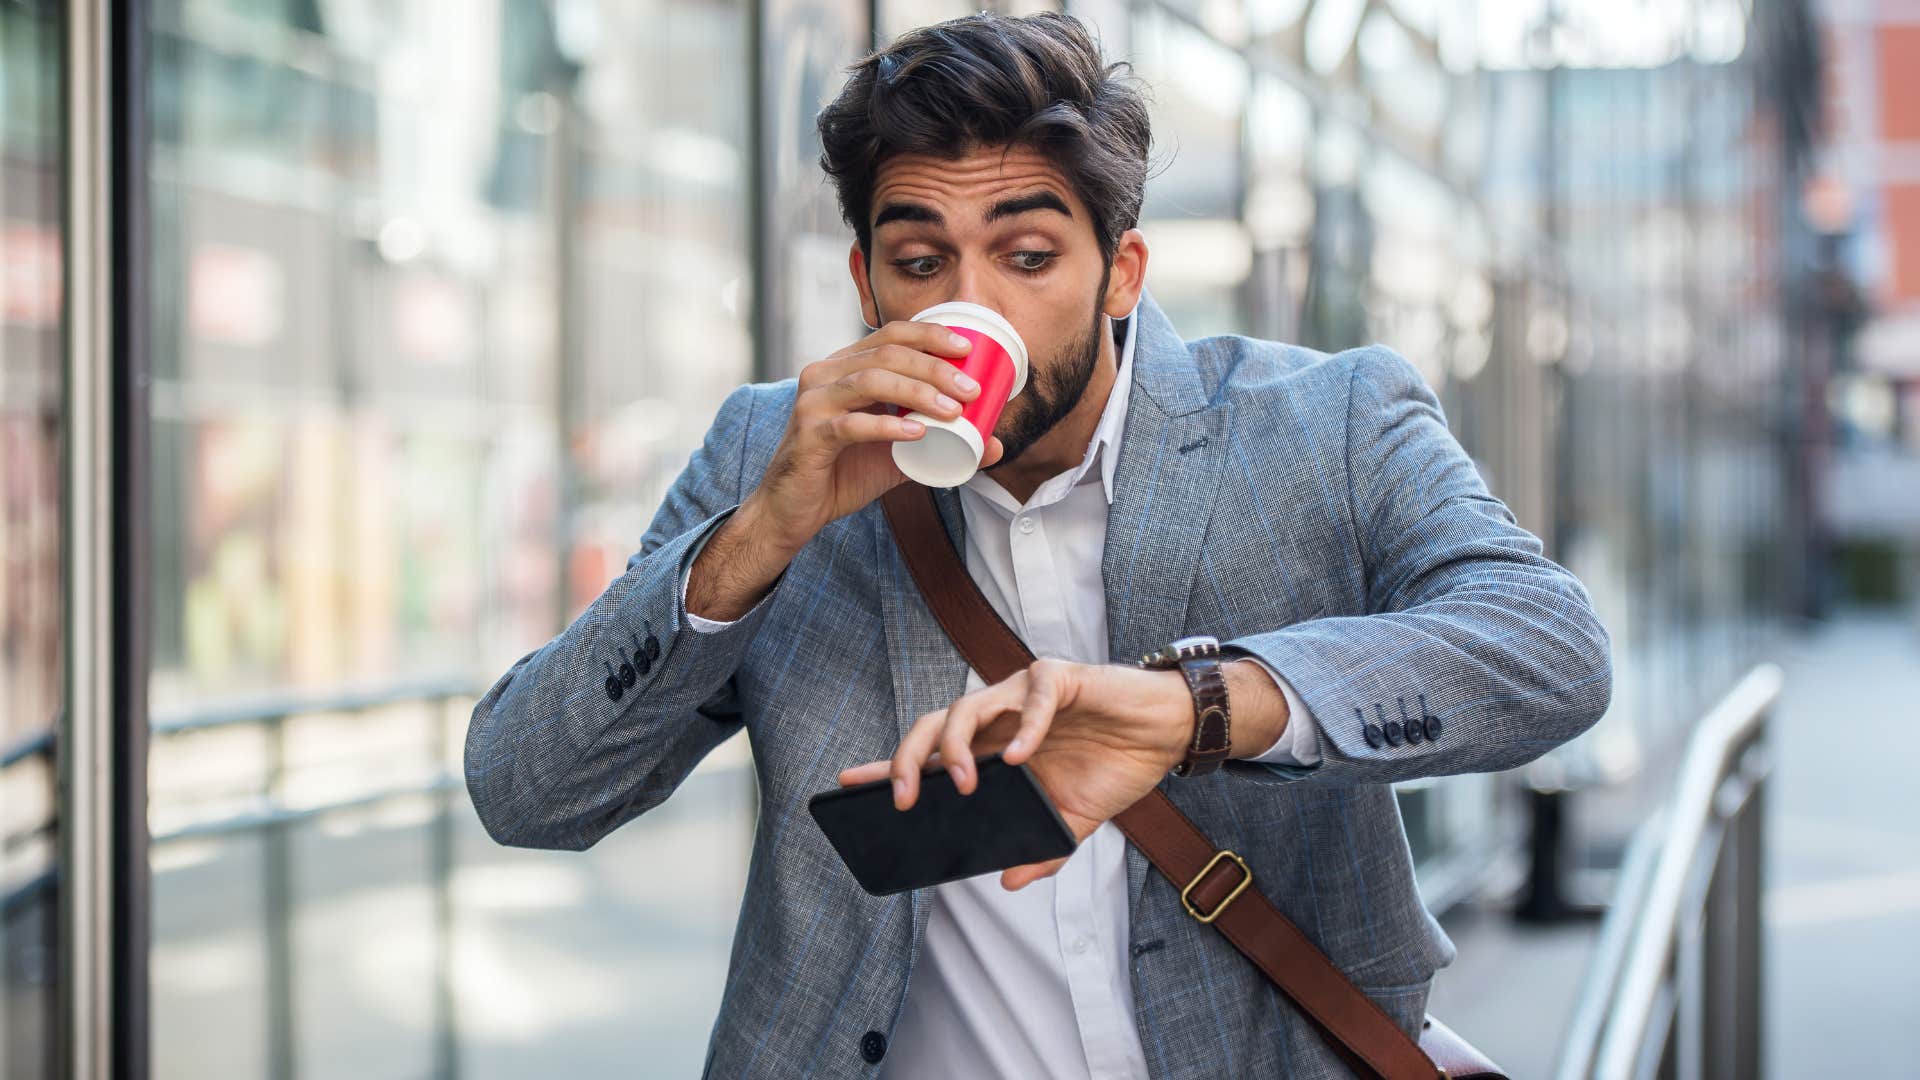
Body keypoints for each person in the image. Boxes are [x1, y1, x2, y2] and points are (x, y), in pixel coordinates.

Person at [463, 11, 1612, 1078]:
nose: (975, 304)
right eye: (923, 264)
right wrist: (762, 535)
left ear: (1121, 270)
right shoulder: (774, 451)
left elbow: (1549, 648)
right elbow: (529, 791)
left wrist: (1198, 708)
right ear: (867, 283)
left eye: (1027, 257)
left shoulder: (1324, 422)